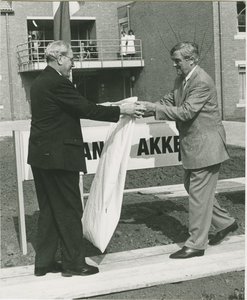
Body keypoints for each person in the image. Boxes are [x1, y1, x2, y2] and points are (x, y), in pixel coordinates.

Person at [27, 40, 145, 277]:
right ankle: (73, 263)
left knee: (49, 209)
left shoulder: (39, 82)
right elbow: (87, 109)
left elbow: (75, 108)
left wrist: (114, 107)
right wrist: (123, 110)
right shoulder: (59, 83)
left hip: (41, 157)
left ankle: (44, 262)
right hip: (59, 157)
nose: (73, 63)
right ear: (59, 58)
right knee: (70, 209)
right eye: (71, 58)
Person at [137, 42, 238, 259]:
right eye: (174, 60)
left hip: (206, 146)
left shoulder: (201, 81)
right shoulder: (182, 79)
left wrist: (155, 109)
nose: (174, 65)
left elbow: (185, 112)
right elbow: (170, 100)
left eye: (177, 61)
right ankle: (226, 223)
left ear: (192, 60)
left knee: (198, 196)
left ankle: (196, 244)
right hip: (196, 146)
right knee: (192, 187)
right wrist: (146, 108)